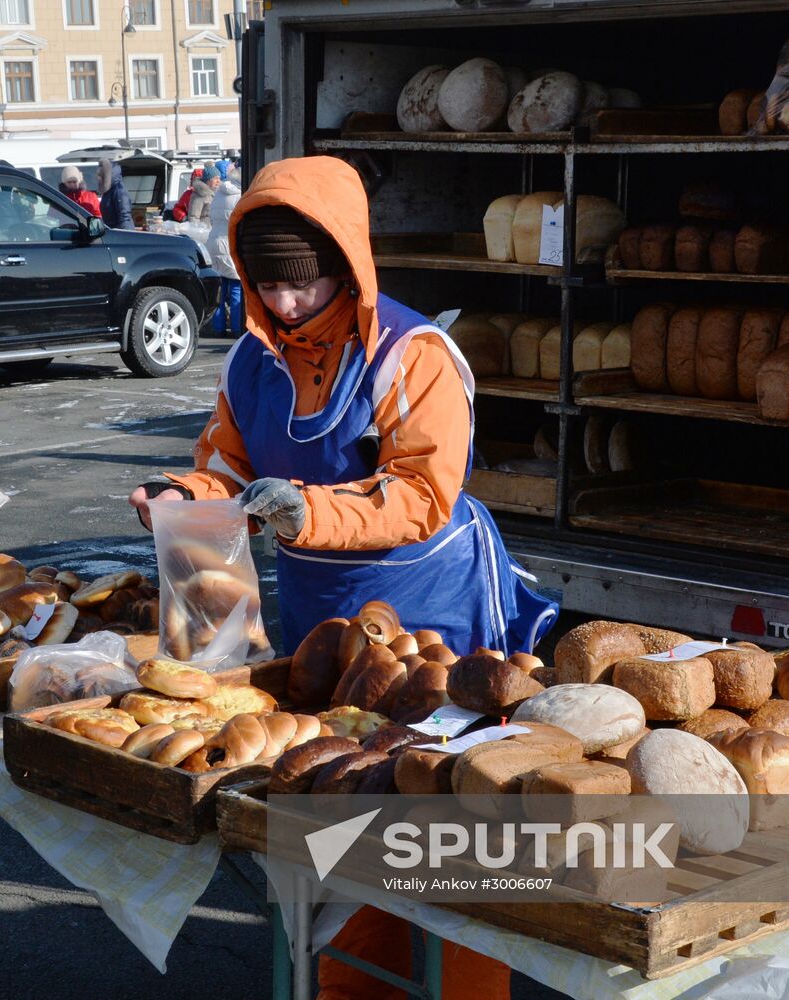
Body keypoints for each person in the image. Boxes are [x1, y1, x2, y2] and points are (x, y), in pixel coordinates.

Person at [129, 156, 557, 999]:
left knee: (435, 819)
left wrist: (307, 515)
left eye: (304, 282)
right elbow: (229, 466)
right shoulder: (251, 362)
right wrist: (186, 495)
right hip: (326, 619)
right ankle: (343, 978)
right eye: (267, 284)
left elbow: (424, 494)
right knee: (333, 799)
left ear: (345, 262)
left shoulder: (413, 354)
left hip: (435, 615)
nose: (286, 304)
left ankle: (448, 985)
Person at [206, 166, 243, 337]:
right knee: (236, 287)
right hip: (230, 244)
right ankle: (237, 327)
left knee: (220, 288)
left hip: (213, 242)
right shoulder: (239, 195)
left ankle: (218, 327)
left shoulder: (219, 193)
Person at [98, 156, 134, 229]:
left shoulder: (118, 190)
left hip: (120, 234)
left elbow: (124, 217)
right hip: (112, 231)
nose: (98, 179)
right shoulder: (107, 191)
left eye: (101, 176)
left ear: (107, 176)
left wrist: (123, 236)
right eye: (98, 176)